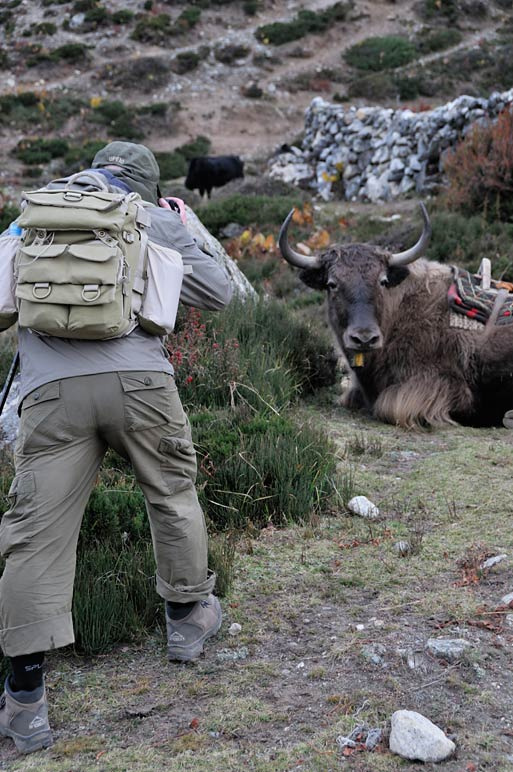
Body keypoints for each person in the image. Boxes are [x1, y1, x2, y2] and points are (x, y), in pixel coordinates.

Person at [0, 141, 233, 754]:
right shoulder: (153, 215)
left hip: (50, 394)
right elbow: (220, 292)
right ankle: (187, 623)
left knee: (35, 536)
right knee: (171, 493)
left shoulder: (38, 213)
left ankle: (25, 704)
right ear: (147, 185)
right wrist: (187, 225)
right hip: (141, 386)